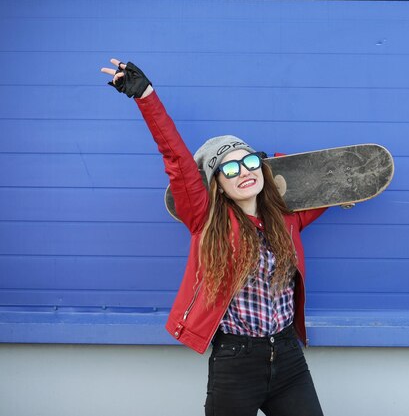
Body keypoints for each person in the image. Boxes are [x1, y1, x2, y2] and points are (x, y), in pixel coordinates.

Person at [101, 59, 327, 416]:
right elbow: (176, 158)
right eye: (231, 169)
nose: (245, 172)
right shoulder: (205, 220)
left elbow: (325, 189)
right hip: (236, 363)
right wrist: (146, 96)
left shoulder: (286, 219)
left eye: (250, 161)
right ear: (217, 185)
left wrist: (348, 189)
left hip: (288, 358)